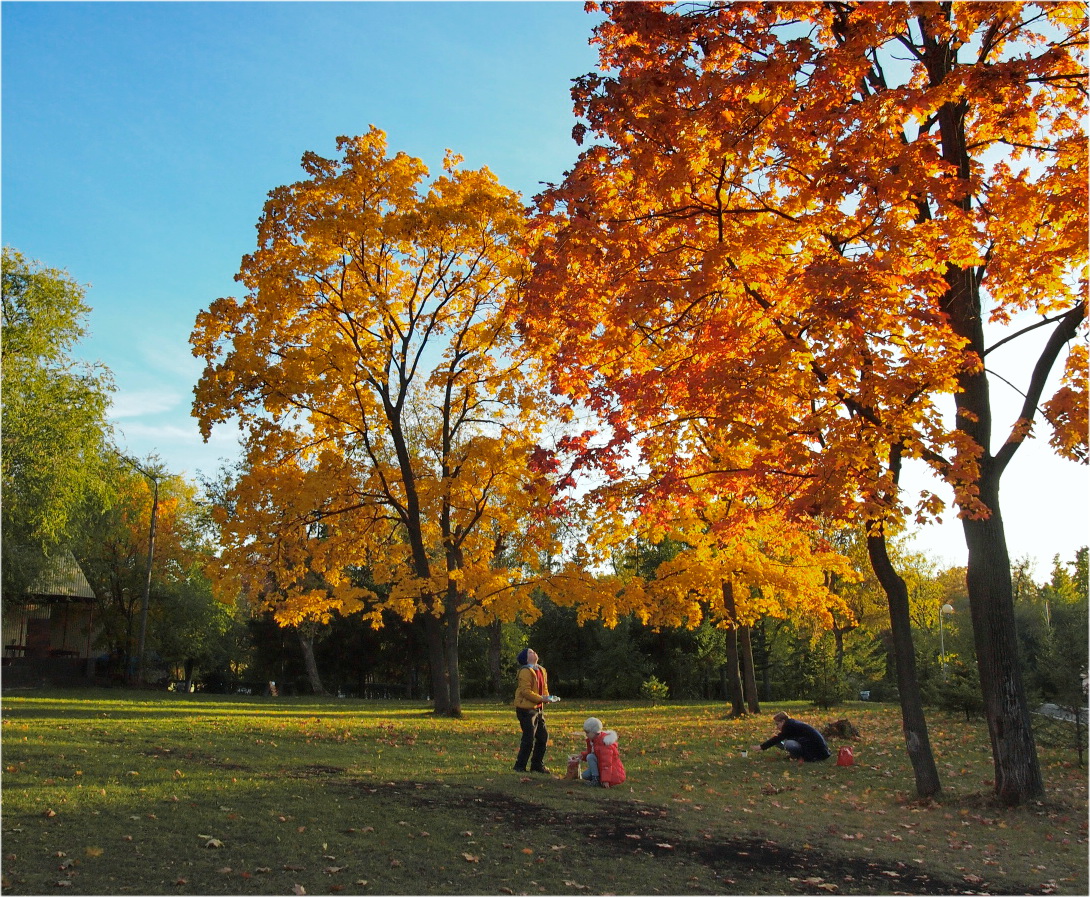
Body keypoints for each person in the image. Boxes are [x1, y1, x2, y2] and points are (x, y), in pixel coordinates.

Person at [512, 648, 559, 773]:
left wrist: (547, 697)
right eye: (530, 652)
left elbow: (544, 688)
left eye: (533, 651)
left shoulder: (541, 670)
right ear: (526, 658)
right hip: (526, 709)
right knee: (529, 737)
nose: (534, 653)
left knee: (543, 736)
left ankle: (537, 765)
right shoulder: (525, 671)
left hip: (538, 708)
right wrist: (541, 698)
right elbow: (525, 691)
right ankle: (520, 766)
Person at [753, 711, 831, 762]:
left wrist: (761, 747)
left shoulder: (789, 726)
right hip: (813, 747)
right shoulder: (792, 724)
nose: (777, 727)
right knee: (779, 742)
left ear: (783, 721)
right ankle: (797, 755)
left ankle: (801, 756)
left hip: (817, 751)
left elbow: (778, 738)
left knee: (788, 744)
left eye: (777, 724)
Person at [579, 717, 626, 788]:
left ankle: (596, 780)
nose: (586, 735)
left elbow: (607, 763)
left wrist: (606, 780)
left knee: (590, 757)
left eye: (587, 732)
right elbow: (591, 753)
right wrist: (582, 756)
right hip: (600, 767)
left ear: (594, 732)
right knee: (584, 775)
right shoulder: (593, 741)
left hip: (612, 772)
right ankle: (597, 777)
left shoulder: (604, 744)